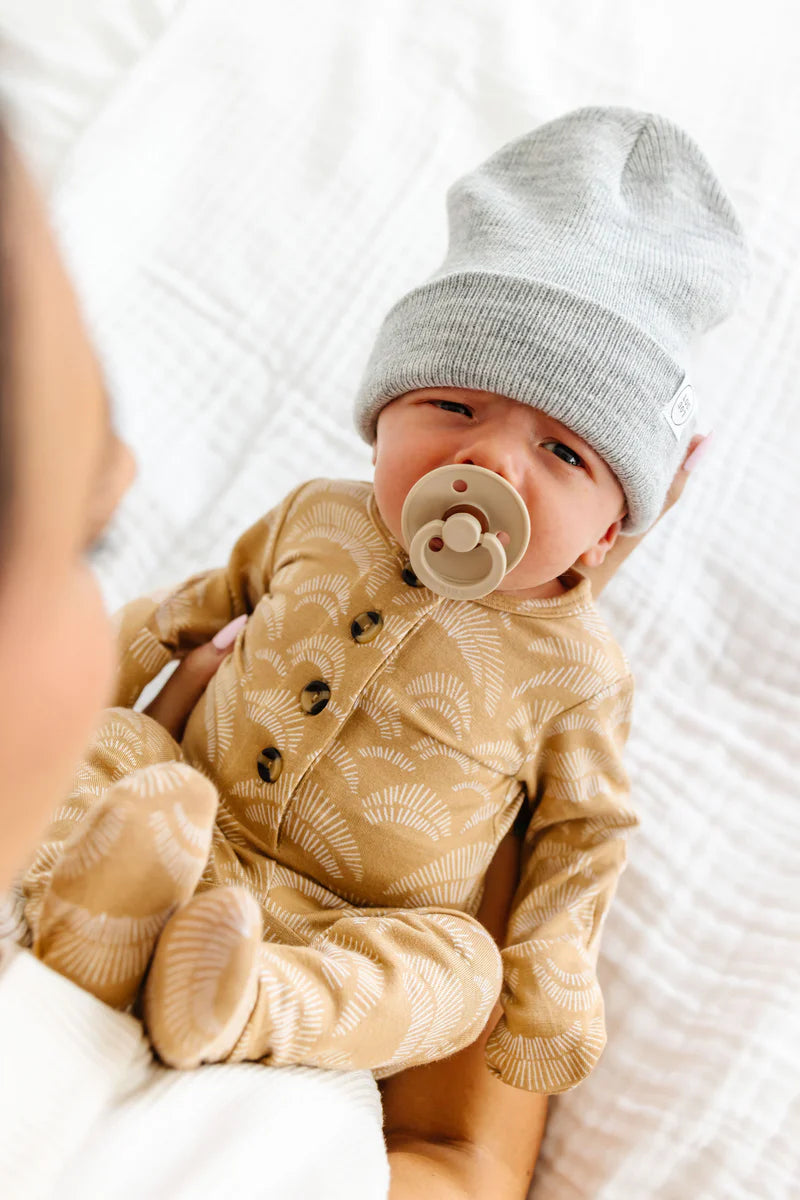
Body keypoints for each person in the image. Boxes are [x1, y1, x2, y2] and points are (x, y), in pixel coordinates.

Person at [0, 111, 722, 1197]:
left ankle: (242, 1002)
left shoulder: (574, 671)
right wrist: (84, 691)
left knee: (459, 971)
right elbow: (191, 610)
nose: (488, 463)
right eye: (448, 404)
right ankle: (94, 926)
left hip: (355, 924)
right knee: (112, 746)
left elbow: (584, 829)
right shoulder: (315, 519)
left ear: (614, 528)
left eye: (565, 452)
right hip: (189, 808)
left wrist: (548, 978)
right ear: (378, 415)